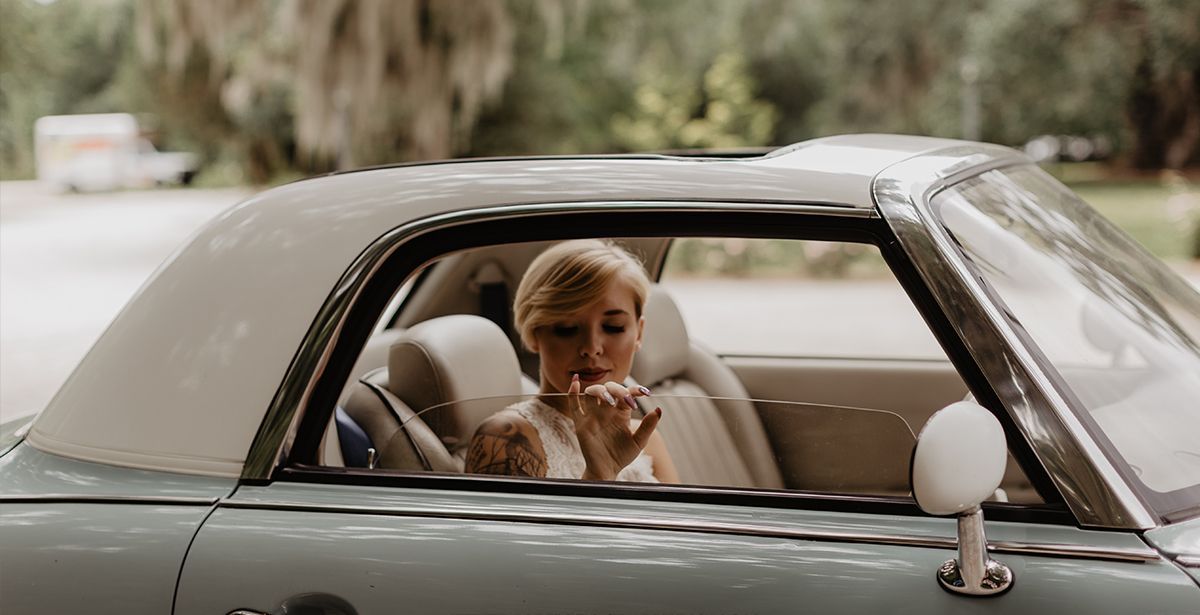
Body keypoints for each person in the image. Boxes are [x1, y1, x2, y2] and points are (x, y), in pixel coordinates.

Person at [464, 239, 679, 483]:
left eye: (613, 327)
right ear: (534, 334)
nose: (591, 348)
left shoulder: (646, 439)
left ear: (638, 333)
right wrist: (598, 476)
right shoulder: (506, 438)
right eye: (566, 329)